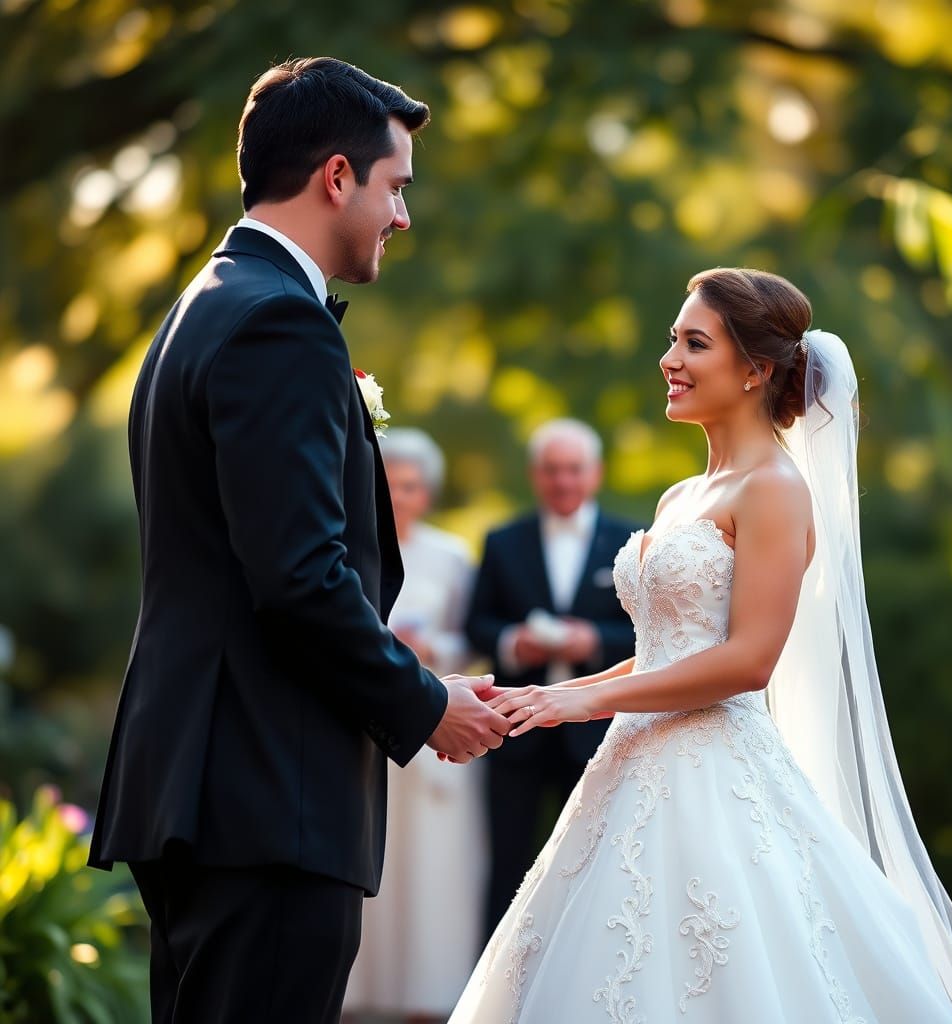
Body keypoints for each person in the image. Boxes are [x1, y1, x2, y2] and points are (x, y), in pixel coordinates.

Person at [449, 268, 952, 1023]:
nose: (670, 360)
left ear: (755, 370)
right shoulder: (680, 496)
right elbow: (667, 650)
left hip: (715, 771)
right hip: (630, 766)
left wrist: (581, 697)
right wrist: (548, 696)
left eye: (694, 343)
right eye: (672, 340)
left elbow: (748, 660)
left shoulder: (776, 490)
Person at [86, 58, 509, 1024]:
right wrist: (424, 704)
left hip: (204, 785)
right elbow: (302, 579)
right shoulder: (281, 323)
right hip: (267, 795)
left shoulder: (208, 302)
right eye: (395, 187)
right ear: (335, 177)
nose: (403, 216)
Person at [464, 418, 639, 935]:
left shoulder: (631, 541)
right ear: (535, 475)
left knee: (598, 862)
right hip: (514, 731)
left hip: (597, 731)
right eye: (552, 470)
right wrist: (513, 642)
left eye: (574, 470)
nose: (563, 481)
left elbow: (654, 629)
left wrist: (595, 641)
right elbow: (477, 623)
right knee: (508, 862)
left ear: (596, 473)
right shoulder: (502, 541)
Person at [344, 428, 485, 1023]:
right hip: (368, 727)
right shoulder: (351, 549)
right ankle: (352, 997)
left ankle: (429, 1001)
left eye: (411, 485)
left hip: (435, 728)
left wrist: (432, 644)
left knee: (433, 872)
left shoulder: (452, 555)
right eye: (390, 483)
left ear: (427, 492)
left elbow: (474, 641)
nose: (399, 496)